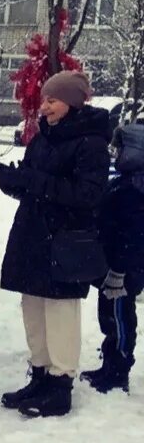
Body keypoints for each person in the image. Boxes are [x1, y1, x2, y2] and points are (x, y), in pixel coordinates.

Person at [0, 71, 112, 418]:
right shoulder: (44, 137)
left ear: (72, 103)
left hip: (65, 240)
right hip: (33, 234)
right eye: (44, 100)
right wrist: (13, 181)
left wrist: (34, 181)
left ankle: (60, 384)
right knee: (34, 308)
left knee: (60, 312)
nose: (44, 107)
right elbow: (34, 182)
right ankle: (40, 374)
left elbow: (88, 194)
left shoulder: (91, 143)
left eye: (52, 100)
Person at [82, 123, 144, 393]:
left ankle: (118, 370)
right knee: (107, 315)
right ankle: (109, 363)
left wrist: (119, 271)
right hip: (111, 265)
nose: (114, 153)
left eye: (119, 148)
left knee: (119, 318)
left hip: (124, 270)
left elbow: (133, 236)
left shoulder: (137, 189)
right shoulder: (123, 181)